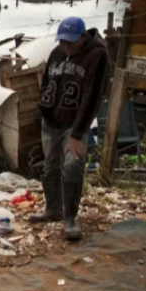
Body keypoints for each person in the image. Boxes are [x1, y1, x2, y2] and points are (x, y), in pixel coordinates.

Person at [30, 17, 108, 241]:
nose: (66, 47)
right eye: (62, 41)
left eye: (70, 42)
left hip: (73, 126)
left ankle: (70, 218)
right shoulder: (57, 52)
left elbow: (93, 97)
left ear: (83, 37)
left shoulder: (97, 56)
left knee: (73, 165)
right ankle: (53, 208)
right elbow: (45, 81)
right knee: (50, 167)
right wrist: (42, 108)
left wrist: (76, 134)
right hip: (50, 122)